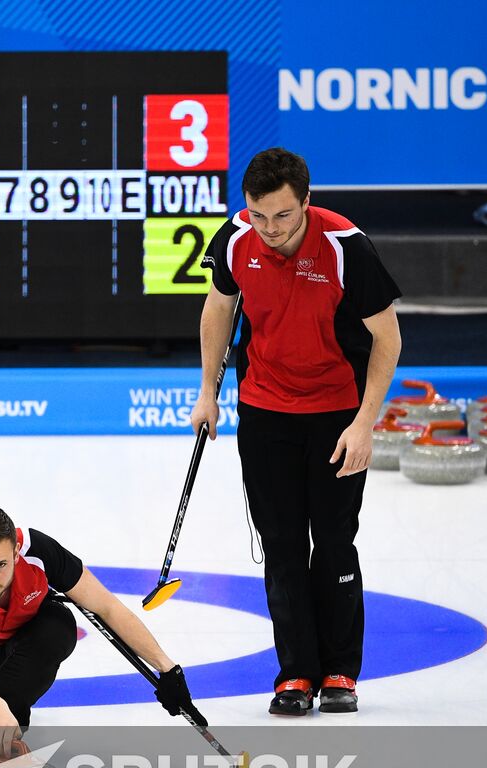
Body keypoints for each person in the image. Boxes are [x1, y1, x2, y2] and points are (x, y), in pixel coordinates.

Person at [190, 147, 402, 716]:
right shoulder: (236, 238)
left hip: (337, 413)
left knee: (332, 544)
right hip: (264, 412)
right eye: (259, 216)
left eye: (283, 216)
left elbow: (388, 339)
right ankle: (294, 675)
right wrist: (208, 390)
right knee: (281, 547)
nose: (271, 229)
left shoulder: (345, 247)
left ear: (306, 202)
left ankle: (339, 671)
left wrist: (365, 424)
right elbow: (218, 309)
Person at [0, 504, 202, 758]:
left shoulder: (40, 551)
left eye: (0, 565)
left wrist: (167, 668)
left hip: (29, 634)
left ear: (17, 551)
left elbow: (107, 607)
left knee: (58, 626)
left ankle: (9, 740)